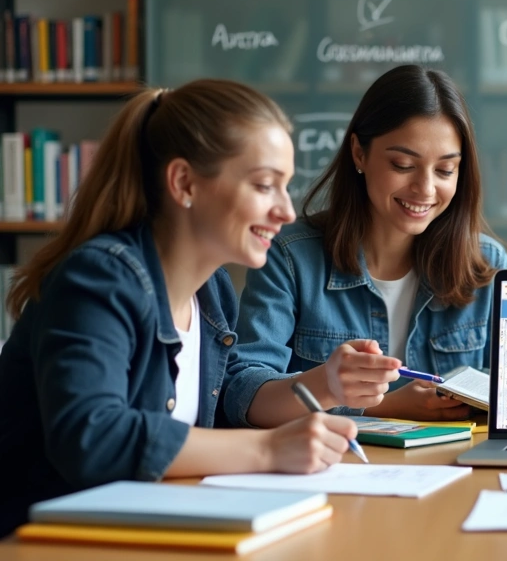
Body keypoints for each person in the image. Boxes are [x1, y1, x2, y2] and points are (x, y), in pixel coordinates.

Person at [0, 80, 359, 537]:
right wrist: (269, 450)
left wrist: (325, 385)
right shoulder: (98, 279)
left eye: (286, 187)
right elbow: (92, 438)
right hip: (42, 543)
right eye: (265, 185)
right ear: (184, 183)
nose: (287, 211)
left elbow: (227, 401)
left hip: (143, 532)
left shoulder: (211, 290)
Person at [225, 65, 507, 428]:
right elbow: (243, 395)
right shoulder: (290, 257)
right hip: (330, 470)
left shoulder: (486, 264)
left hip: (455, 469)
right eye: (403, 164)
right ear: (359, 153)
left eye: (444, 171)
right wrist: (378, 406)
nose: (424, 189)